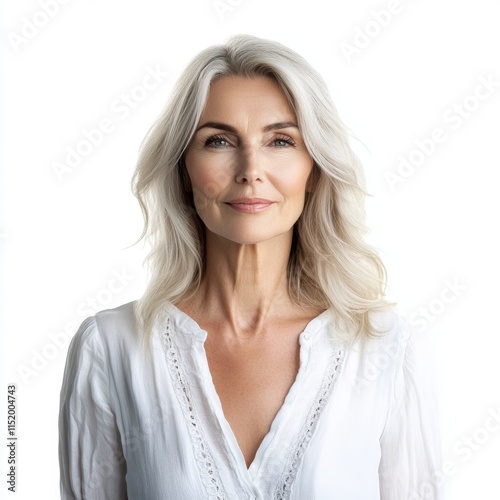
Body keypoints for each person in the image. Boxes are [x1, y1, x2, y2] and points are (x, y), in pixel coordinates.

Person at [58, 34, 443, 499]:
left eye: (280, 140)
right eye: (218, 140)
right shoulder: (112, 348)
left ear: (314, 168)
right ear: (183, 169)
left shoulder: (384, 350)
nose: (250, 169)